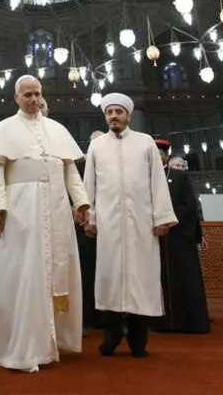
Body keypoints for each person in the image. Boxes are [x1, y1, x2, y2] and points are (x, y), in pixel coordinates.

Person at [0, 75, 90, 373]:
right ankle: (24, 345)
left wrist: (81, 202)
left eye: (37, 93)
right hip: (21, 210)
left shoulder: (57, 129)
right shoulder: (2, 130)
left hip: (56, 209)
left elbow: (70, 171)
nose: (33, 99)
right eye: (27, 94)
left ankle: (54, 341)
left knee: (56, 270)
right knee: (24, 274)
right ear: (16, 97)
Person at [83, 94, 176, 357]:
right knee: (110, 278)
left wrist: (161, 217)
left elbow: (157, 181)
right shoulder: (97, 146)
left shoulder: (145, 142)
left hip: (142, 222)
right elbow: (89, 183)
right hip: (108, 223)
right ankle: (111, 335)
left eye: (118, 112)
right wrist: (89, 218)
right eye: (109, 112)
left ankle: (139, 338)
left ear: (128, 116)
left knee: (141, 279)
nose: (113, 116)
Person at [157, 147, 211, 334]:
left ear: (166, 157)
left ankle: (189, 322)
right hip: (153, 237)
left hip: (177, 236)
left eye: (160, 154)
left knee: (184, 276)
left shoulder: (179, 177)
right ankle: (160, 322)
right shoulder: (142, 177)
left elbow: (189, 205)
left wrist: (168, 221)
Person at [77, 131, 105, 335]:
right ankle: (85, 319)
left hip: (109, 231)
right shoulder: (78, 167)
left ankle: (109, 321)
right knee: (86, 277)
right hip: (83, 232)